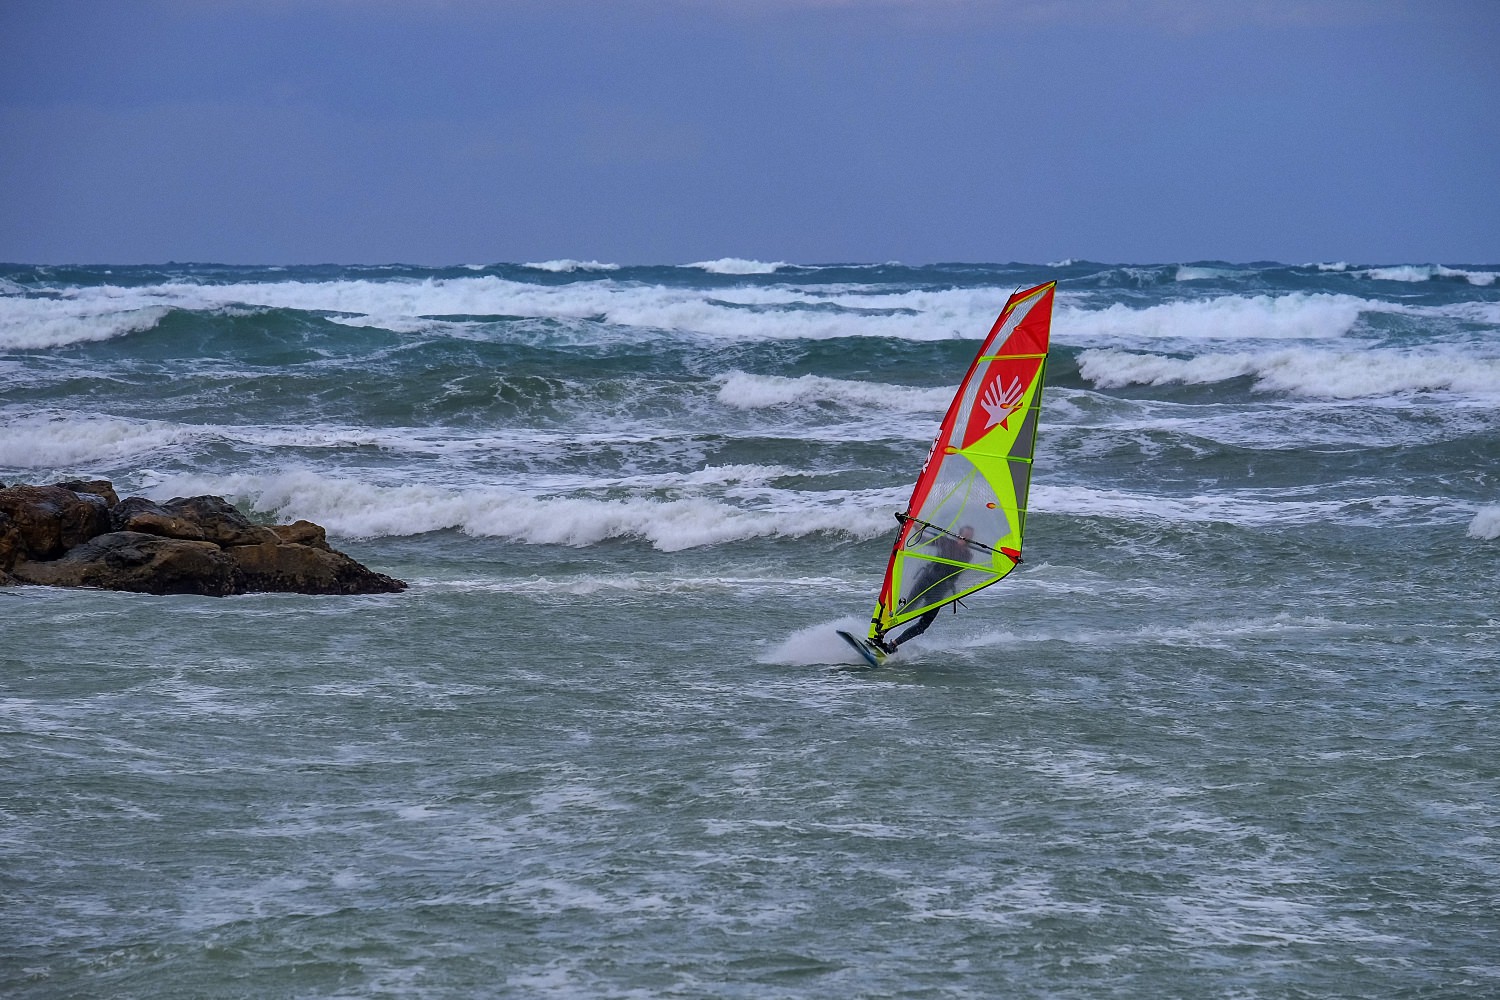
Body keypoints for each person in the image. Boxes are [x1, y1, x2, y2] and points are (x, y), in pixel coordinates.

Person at [877, 525, 974, 653]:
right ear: (958, 536)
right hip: (927, 580)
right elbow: (923, 540)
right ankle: (880, 633)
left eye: (969, 538)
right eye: (965, 537)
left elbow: (955, 568)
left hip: (939, 590)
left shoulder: (967, 555)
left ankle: (894, 644)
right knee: (907, 608)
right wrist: (919, 529)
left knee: (924, 625)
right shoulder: (946, 542)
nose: (967, 540)